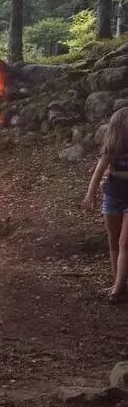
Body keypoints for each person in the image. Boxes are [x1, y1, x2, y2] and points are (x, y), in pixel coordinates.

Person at [84, 107, 128, 303]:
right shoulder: (112, 148)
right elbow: (98, 171)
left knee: (124, 243)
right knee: (113, 242)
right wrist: (90, 193)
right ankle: (117, 281)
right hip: (112, 197)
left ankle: (118, 288)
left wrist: (117, 175)